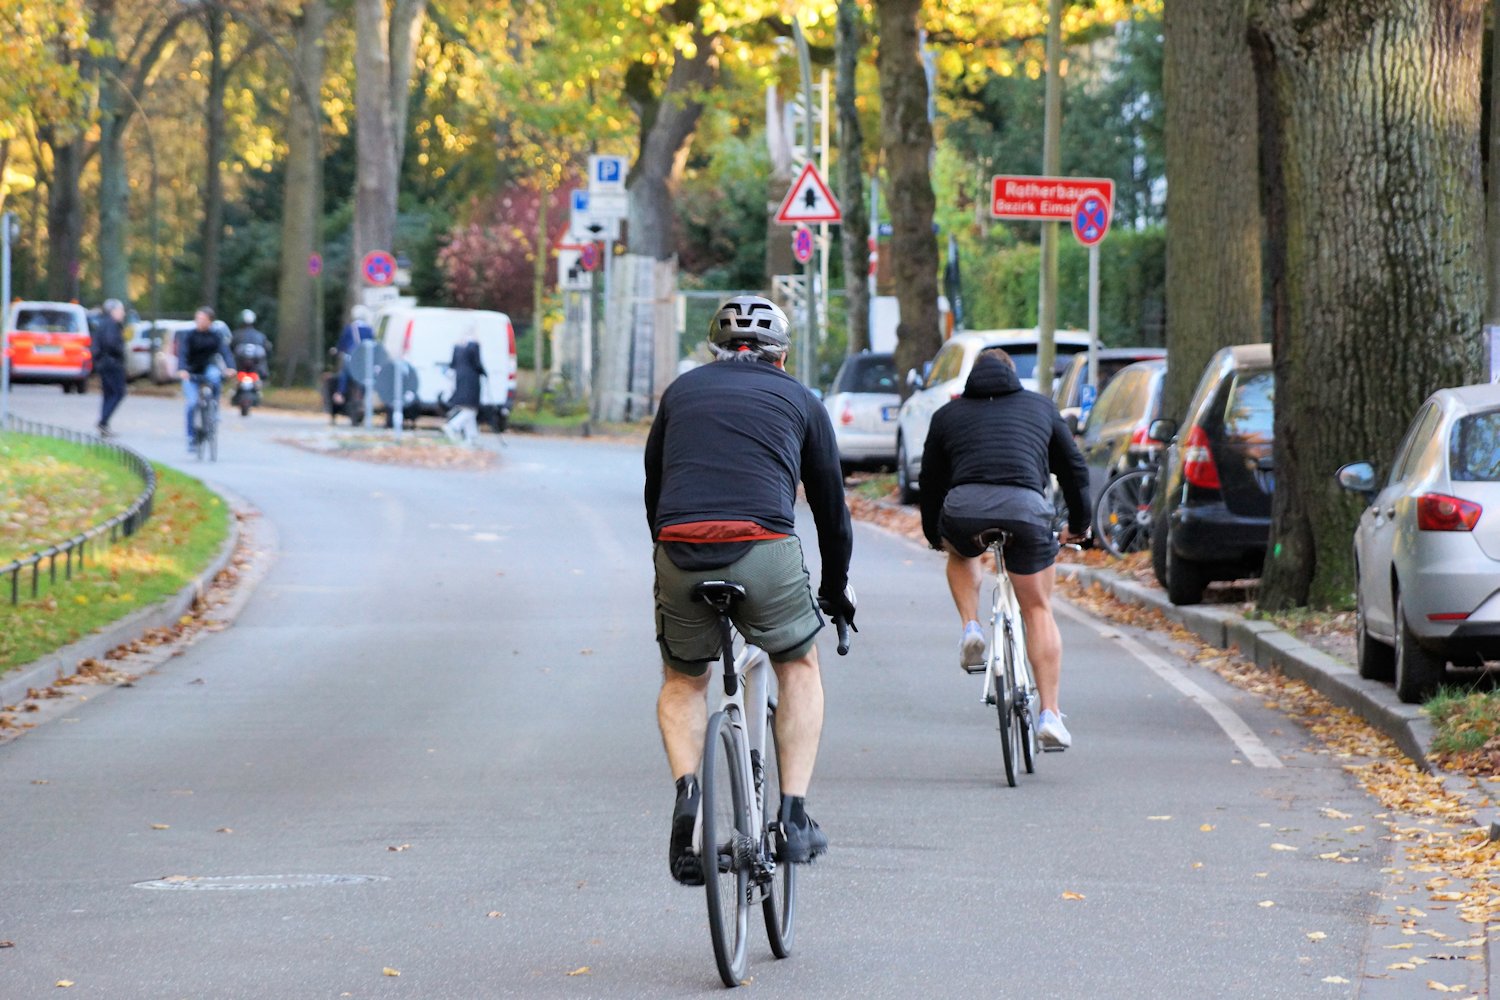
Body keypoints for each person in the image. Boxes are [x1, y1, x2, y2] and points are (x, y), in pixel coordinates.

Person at [644, 294, 855, 886]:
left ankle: (688, 802)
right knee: (799, 665)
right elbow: (832, 513)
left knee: (684, 680)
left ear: (714, 352)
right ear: (782, 356)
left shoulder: (680, 393)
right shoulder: (801, 400)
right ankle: (793, 815)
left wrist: (668, 558)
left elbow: (655, 490)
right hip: (763, 549)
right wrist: (836, 590)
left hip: (680, 548)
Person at [918, 347, 1090, 750]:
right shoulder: (1041, 408)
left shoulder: (947, 415)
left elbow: (930, 481)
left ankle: (971, 627)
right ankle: (1050, 715)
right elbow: (1074, 468)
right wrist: (1080, 525)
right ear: (1013, 375)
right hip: (1026, 510)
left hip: (965, 511)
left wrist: (934, 534)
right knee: (1038, 609)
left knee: (961, 551)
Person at [176, 306, 235, 452]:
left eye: (203, 319)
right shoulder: (189, 335)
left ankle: (214, 407)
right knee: (192, 404)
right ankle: (191, 437)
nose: (199, 321)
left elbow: (225, 352)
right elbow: (183, 354)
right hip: (191, 371)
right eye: (198, 319)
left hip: (208, 367)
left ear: (210, 321)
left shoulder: (216, 336)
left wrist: (230, 367)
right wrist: (182, 369)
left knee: (215, 376)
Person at [92, 299, 128, 437]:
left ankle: (104, 423)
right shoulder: (112, 325)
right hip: (112, 363)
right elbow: (111, 342)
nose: (123, 313)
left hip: (103, 363)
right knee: (118, 393)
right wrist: (120, 351)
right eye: (121, 310)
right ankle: (103, 421)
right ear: (113, 311)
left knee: (108, 394)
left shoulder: (103, 323)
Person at [442, 331, 485, 446]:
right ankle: (453, 426)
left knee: (469, 410)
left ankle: (471, 437)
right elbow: (478, 364)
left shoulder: (457, 349)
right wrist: (484, 372)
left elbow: (452, 364)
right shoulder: (474, 347)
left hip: (460, 381)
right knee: (470, 409)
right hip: (471, 382)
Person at [333, 305, 375, 407]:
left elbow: (342, 343)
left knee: (344, 373)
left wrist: (337, 350)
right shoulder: (369, 330)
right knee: (365, 377)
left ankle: (340, 393)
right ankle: (362, 395)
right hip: (363, 359)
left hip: (351, 358)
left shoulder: (350, 328)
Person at [230, 308, 270, 379]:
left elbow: (230, 349)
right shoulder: (260, 335)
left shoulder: (235, 335)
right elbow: (268, 349)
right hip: (257, 371)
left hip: (240, 370)